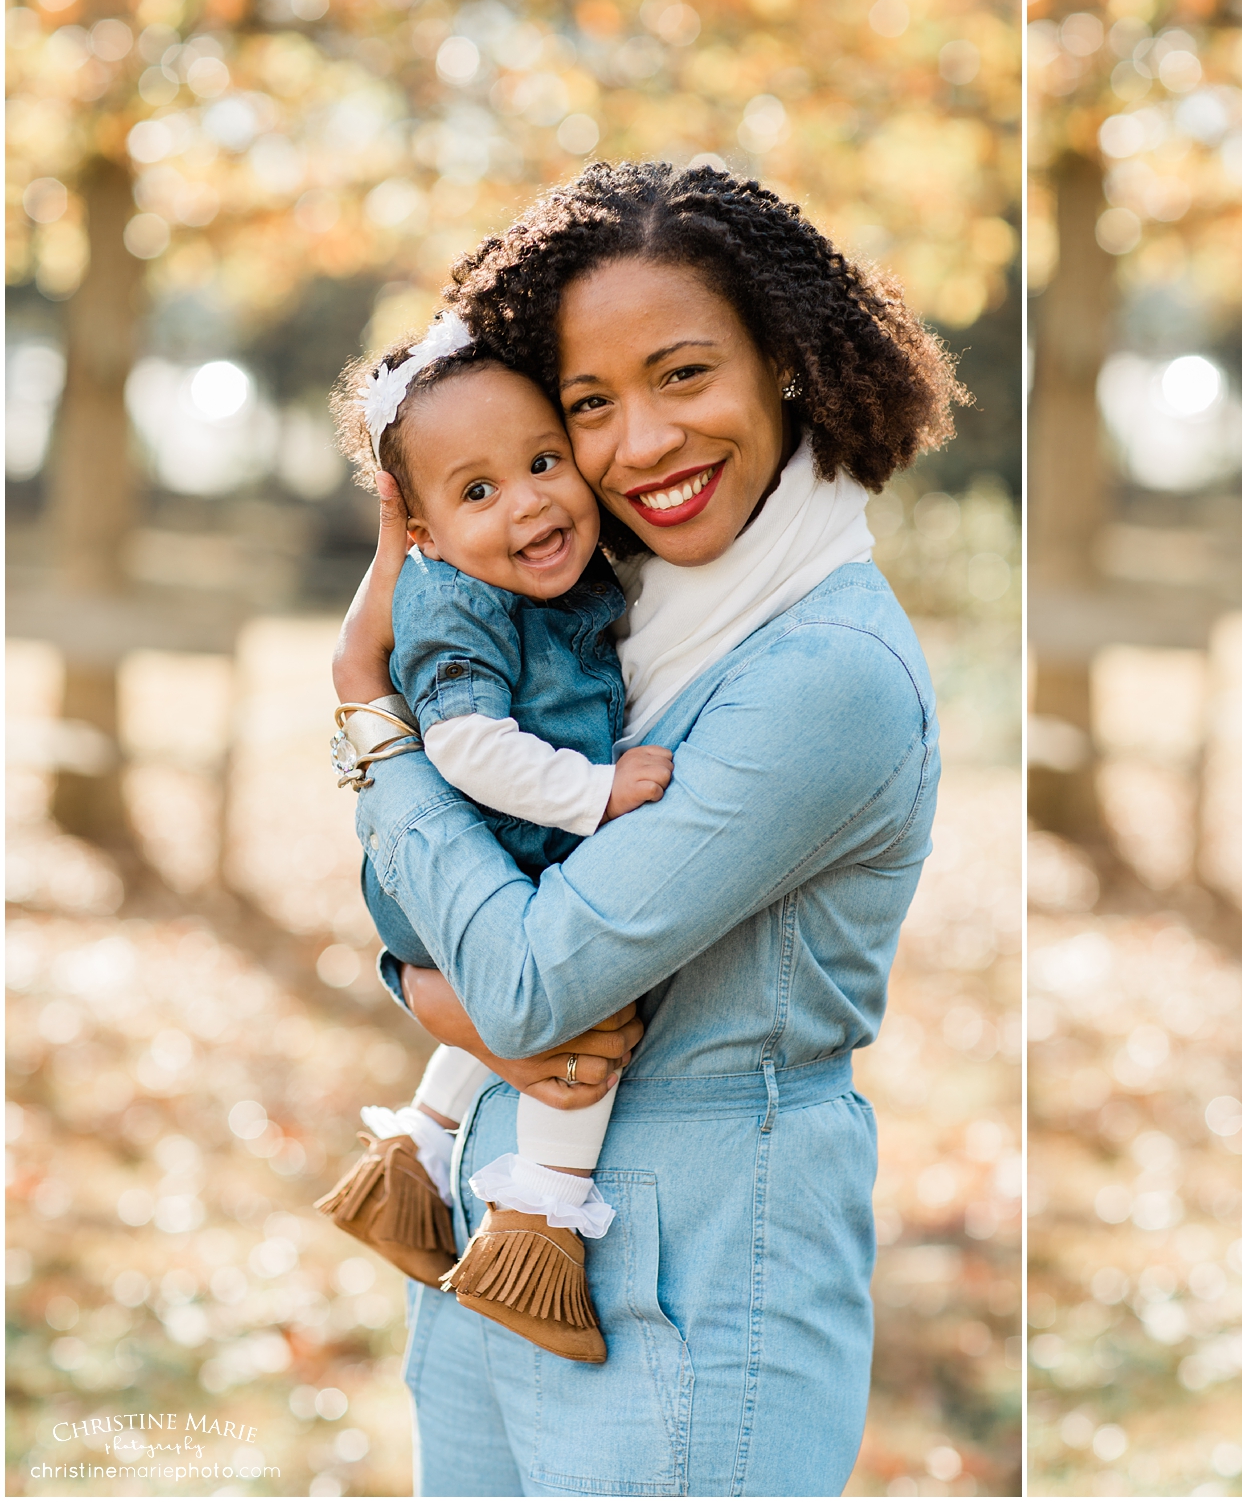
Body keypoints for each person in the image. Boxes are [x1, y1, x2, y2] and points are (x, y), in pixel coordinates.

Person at [330, 161, 963, 1497]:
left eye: (684, 375)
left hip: (692, 1277)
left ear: (785, 360)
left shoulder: (824, 673)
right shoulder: (592, 619)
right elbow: (474, 943)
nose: (641, 445)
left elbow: (528, 973)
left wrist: (368, 723)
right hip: (487, 1224)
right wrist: (427, 982)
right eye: (587, 405)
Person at [316, 313, 676, 1365]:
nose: (526, 501)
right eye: (477, 491)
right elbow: (469, 745)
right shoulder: (457, 600)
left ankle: (408, 1163)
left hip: (462, 855)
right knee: (586, 1005)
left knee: (510, 1003)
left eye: (542, 461)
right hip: (468, 845)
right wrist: (597, 791)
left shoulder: (527, 570)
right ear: (416, 531)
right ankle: (541, 1226)